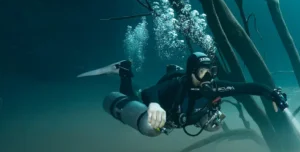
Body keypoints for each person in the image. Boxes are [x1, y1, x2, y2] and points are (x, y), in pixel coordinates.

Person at [78, 52, 288, 131]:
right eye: (202, 72)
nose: (208, 78)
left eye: (211, 73)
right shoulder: (179, 84)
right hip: (158, 109)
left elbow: (248, 87)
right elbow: (153, 91)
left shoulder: (215, 86)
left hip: (182, 119)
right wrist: (154, 104)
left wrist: (272, 93)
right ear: (190, 72)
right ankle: (124, 71)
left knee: (212, 124)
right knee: (145, 120)